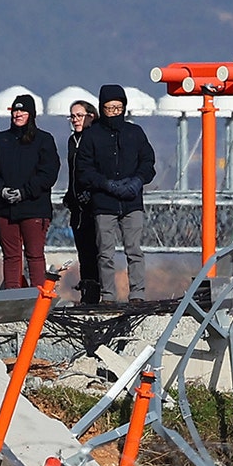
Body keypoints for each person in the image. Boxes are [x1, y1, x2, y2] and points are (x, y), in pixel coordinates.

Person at [76, 85, 156, 303]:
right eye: (109, 109)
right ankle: (108, 295)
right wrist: (106, 184)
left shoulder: (135, 133)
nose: (113, 113)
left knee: (135, 250)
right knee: (105, 252)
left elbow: (148, 162)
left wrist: (137, 181)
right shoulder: (92, 135)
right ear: (102, 109)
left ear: (124, 108)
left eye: (118, 108)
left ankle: (138, 294)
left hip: (132, 202)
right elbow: (84, 169)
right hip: (103, 202)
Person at [0, 94, 59, 289]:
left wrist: (24, 192)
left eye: (22, 110)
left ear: (31, 114)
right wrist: (1, 189)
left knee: (34, 255)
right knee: (11, 257)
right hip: (5, 209)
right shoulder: (0, 140)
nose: (18, 114)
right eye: (15, 110)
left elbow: (48, 173)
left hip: (34, 208)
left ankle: (38, 299)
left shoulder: (44, 140)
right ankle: (13, 298)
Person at [64, 100, 101, 304]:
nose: (75, 120)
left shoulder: (95, 138)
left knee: (98, 251)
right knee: (84, 251)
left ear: (91, 116)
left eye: (79, 115)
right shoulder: (72, 141)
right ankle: (87, 292)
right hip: (77, 206)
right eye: (72, 116)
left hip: (94, 204)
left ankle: (97, 293)